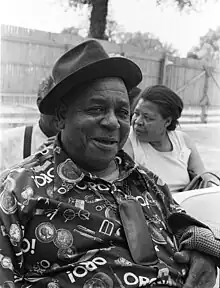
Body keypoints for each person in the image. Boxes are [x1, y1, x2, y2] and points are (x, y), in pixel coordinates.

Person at [0, 39, 219, 288]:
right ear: (61, 116)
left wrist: (203, 249)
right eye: (96, 109)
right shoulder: (16, 192)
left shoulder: (146, 181)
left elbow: (181, 221)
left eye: (123, 112)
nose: (113, 123)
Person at [123, 85, 213, 193]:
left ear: (167, 121)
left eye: (148, 118)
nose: (138, 121)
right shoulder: (128, 142)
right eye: (136, 114)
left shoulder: (182, 141)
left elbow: (203, 178)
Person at [0, 75, 60, 173]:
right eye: (56, 104)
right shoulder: (6, 144)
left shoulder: (83, 147)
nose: (62, 113)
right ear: (40, 104)